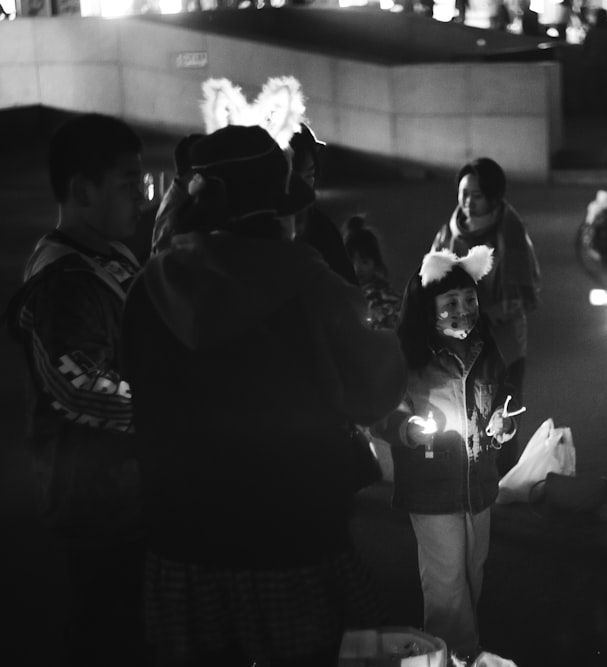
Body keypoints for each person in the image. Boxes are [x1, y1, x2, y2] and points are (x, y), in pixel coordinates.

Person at [121, 125, 408, 667]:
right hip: (290, 534)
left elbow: (135, 385)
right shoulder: (309, 282)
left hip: (181, 536)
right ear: (273, 211)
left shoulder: (149, 284)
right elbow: (375, 389)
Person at [4, 113, 148, 666]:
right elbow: (78, 387)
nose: (141, 198)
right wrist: (173, 407)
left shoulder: (107, 253)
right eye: (129, 184)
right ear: (83, 190)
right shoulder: (65, 278)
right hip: (97, 496)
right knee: (108, 631)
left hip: (120, 488)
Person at [383, 246, 518, 662]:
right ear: (428, 309)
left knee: (473, 577)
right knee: (446, 586)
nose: (464, 310)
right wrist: (406, 430)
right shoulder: (408, 359)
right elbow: (380, 414)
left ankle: (463, 651)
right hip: (431, 491)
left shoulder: (485, 351)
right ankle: (452, 656)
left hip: (478, 487)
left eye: (470, 300)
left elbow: (499, 405)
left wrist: (503, 425)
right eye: (451, 303)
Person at [430, 158, 541, 475]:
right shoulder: (449, 232)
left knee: (502, 418)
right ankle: (468, 483)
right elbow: (430, 279)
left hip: (503, 346)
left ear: (493, 197)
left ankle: (504, 482)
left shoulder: (510, 232)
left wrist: (479, 318)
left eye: (476, 195)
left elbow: (520, 296)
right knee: (462, 415)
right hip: (459, 345)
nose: (467, 202)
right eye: (463, 193)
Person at [290, 123, 359, 285]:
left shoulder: (320, 228)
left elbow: (349, 297)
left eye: (309, 175)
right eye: (293, 178)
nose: (303, 189)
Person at [344, 214, 403, 332]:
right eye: (351, 262)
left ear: (375, 263)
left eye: (364, 262)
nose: (357, 269)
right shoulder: (339, 295)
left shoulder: (388, 300)